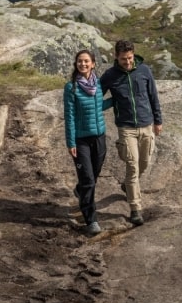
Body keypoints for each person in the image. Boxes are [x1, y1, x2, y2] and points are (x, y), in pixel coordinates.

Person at [99, 39, 163, 226]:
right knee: (133, 166)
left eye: (130, 58)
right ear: (116, 57)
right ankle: (135, 208)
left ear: (133, 55)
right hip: (126, 128)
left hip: (146, 125)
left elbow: (153, 96)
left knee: (144, 163)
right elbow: (96, 96)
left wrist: (158, 120)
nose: (127, 62)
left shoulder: (144, 71)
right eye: (123, 59)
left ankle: (127, 186)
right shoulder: (110, 75)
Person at [63, 49, 111, 236]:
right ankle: (91, 219)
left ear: (93, 64)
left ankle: (80, 189)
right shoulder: (71, 87)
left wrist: (115, 101)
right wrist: (71, 142)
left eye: (86, 61)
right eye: (79, 61)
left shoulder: (98, 85)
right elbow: (70, 116)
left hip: (99, 136)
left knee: (94, 173)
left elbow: (99, 106)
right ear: (76, 65)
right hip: (81, 140)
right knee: (89, 180)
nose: (82, 64)